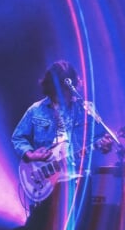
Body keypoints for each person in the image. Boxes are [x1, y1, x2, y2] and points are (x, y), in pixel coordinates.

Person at [11, 60, 112, 208]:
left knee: (79, 220)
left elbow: (100, 139)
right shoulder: (36, 110)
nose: (64, 94)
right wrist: (31, 155)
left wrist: (105, 145)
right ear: (50, 87)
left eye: (67, 90)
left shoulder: (86, 109)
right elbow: (18, 138)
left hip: (79, 177)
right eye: (59, 90)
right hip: (46, 180)